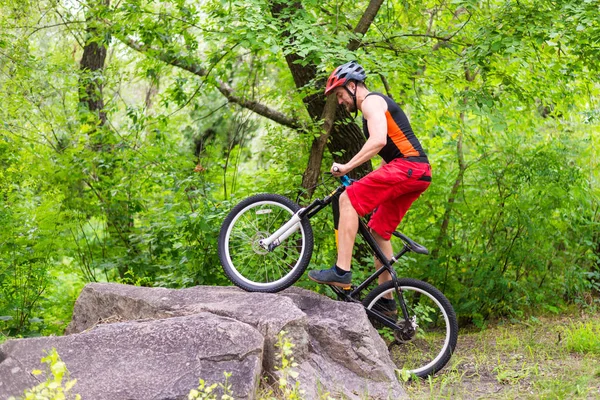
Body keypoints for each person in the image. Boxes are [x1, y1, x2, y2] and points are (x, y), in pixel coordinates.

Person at [308, 61, 431, 312]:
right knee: (379, 231)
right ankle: (386, 301)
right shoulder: (373, 110)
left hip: (408, 167)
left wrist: (346, 167)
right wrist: (361, 180)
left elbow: (377, 141)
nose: (341, 102)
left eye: (341, 95)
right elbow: (387, 157)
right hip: (415, 172)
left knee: (348, 200)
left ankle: (342, 271)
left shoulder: (372, 102)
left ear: (353, 86)